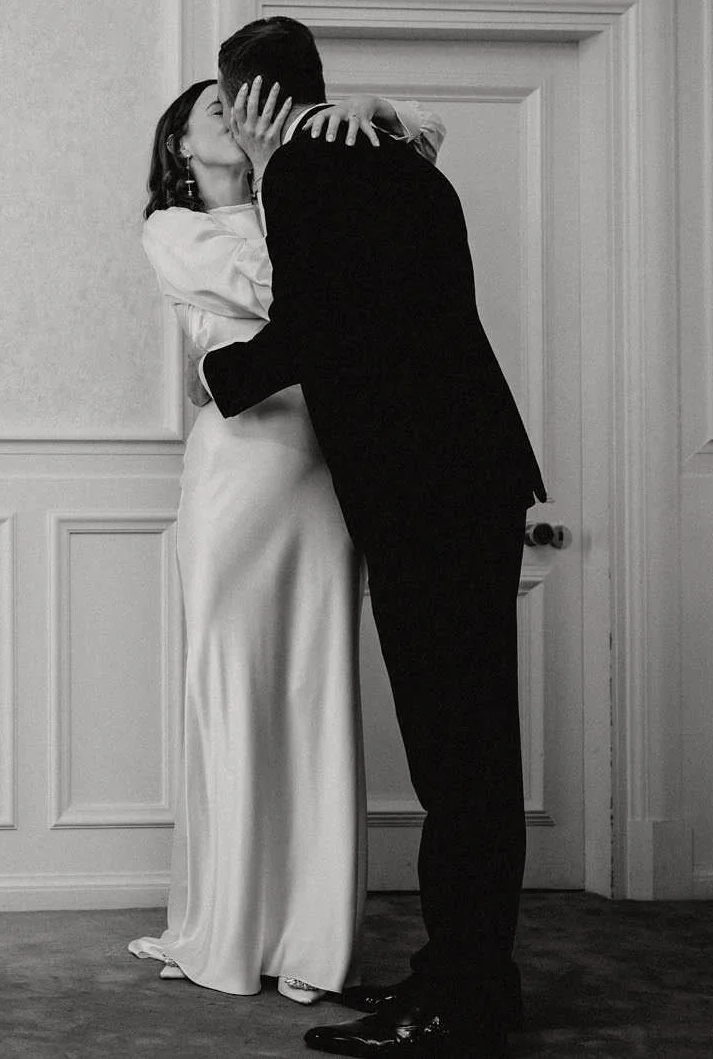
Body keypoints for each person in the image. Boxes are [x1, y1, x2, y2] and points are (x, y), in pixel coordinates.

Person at [200, 17, 545, 1059]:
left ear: (249, 100)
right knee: (471, 749)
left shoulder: (307, 170)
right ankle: (466, 975)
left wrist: (218, 376)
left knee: (457, 757)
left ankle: (461, 1002)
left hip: (426, 489)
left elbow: (314, 327)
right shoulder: (393, 160)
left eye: (227, 108)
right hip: (465, 478)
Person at [130, 80, 445, 1004]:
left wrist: (367, 109)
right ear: (181, 147)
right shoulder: (173, 229)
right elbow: (292, 290)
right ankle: (228, 927)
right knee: (233, 687)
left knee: (316, 689)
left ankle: (314, 940)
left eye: (242, 105)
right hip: (238, 472)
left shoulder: (301, 195)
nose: (236, 118)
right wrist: (309, 228)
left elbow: (419, 150)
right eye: (214, 113)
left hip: (326, 468)